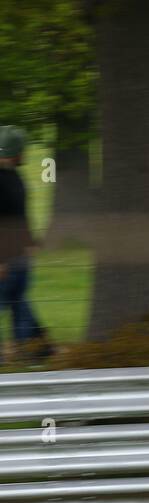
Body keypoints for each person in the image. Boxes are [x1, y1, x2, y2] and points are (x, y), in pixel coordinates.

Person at [0, 126, 53, 360]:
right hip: (12, 258)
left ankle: (34, 351)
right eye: (22, 150)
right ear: (15, 152)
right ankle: (37, 350)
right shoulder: (11, 180)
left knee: (16, 301)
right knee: (18, 302)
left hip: (13, 258)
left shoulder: (12, 179)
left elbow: (16, 217)